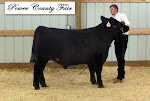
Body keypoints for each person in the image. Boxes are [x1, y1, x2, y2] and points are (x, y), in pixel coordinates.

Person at [109, 4, 130, 83]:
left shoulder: (122, 15)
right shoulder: (114, 19)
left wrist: (122, 23)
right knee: (118, 56)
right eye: (110, 10)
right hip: (117, 38)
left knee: (120, 57)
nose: (111, 11)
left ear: (116, 9)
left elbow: (128, 24)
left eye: (112, 9)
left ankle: (120, 77)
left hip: (123, 37)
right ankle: (121, 74)